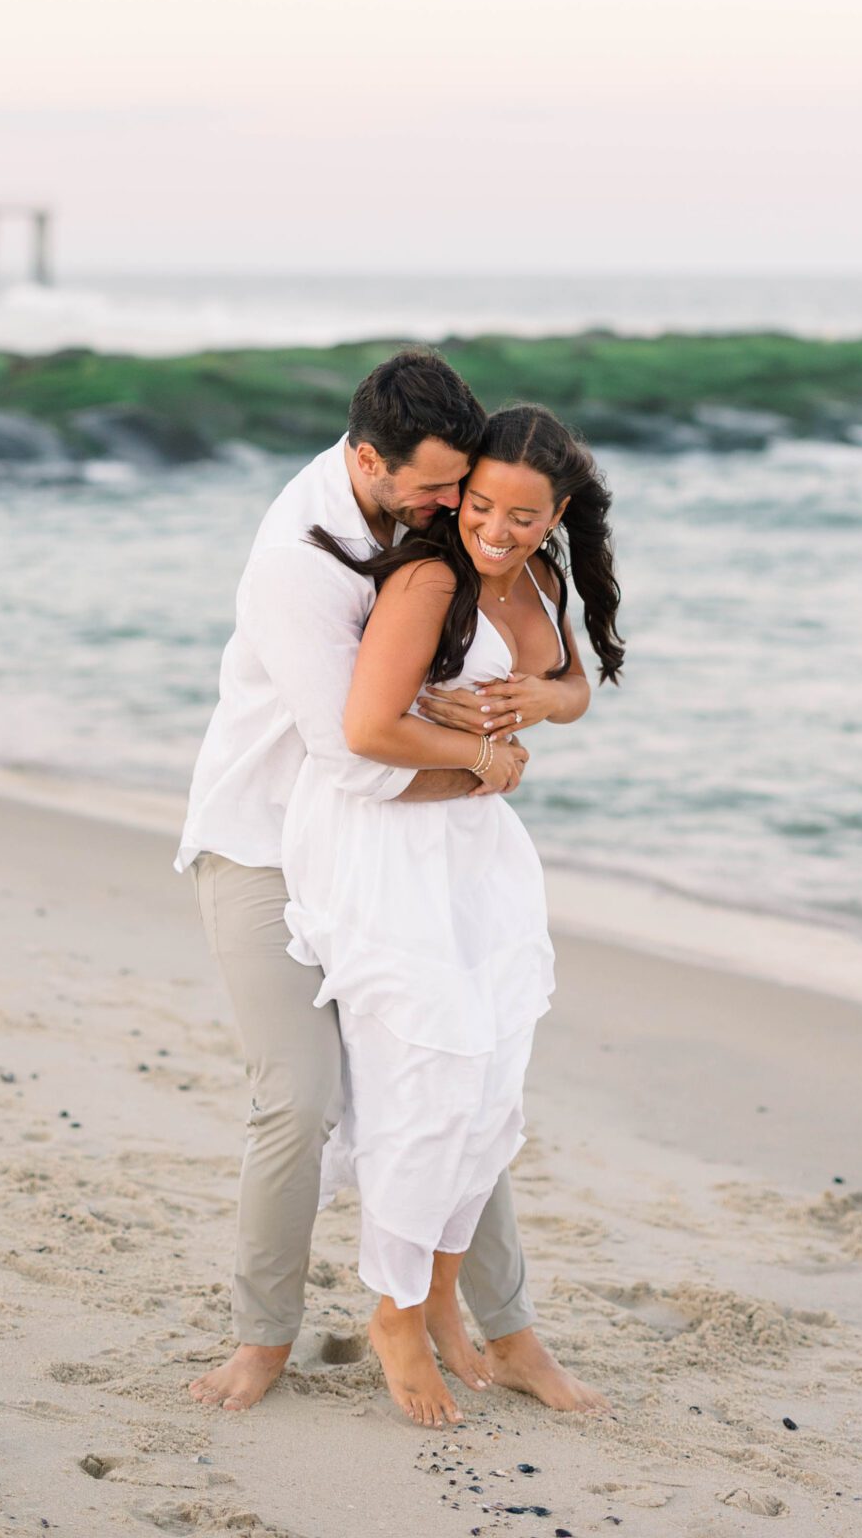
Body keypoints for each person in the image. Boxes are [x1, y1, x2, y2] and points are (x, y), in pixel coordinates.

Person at [175, 349, 604, 1415]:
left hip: (396, 839)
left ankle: (504, 1330)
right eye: (439, 490)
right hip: (270, 843)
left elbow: (551, 668)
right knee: (302, 1100)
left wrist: (528, 710)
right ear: (369, 459)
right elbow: (358, 756)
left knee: (460, 1069)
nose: (457, 506)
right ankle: (263, 1338)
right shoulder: (298, 559)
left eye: (466, 485)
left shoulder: (439, 527)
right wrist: (485, 761)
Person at [284, 402, 625, 1424]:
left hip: (476, 851)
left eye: (524, 515)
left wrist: (539, 705)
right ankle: (394, 1310)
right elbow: (364, 729)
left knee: (488, 1093)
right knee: (423, 1084)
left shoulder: (540, 576)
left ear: (556, 511)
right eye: (481, 505)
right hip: (391, 850)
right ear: (462, 492)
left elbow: (570, 685)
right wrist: (487, 754)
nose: (497, 529)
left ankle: (439, 1301)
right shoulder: (431, 580)